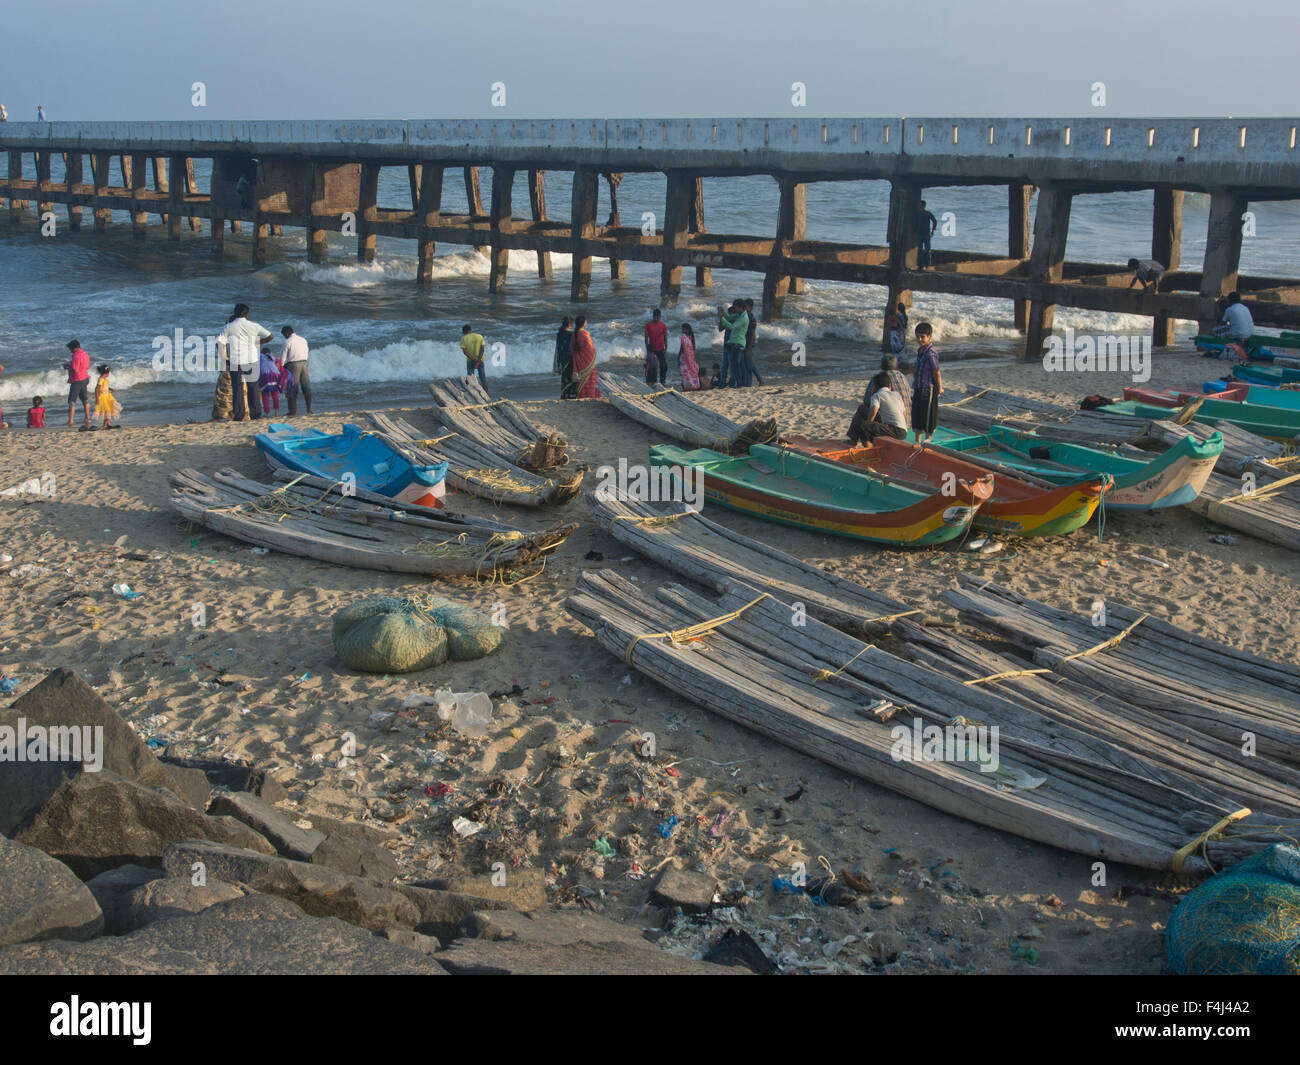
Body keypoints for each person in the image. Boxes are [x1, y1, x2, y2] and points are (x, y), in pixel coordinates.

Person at [217, 305, 273, 421]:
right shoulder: (254, 325)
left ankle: (239, 415)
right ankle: (256, 414)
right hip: (251, 360)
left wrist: (224, 359)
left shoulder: (229, 326)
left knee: (237, 389)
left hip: (235, 361)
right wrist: (256, 343)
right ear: (247, 315)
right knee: (253, 388)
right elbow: (270, 336)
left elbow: (220, 343)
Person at [847, 372, 909, 445]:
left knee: (862, 426)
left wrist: (868, 424)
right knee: (862, 411)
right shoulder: (897, 395)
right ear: (890, 386)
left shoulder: (877, 395)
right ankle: (855, 441)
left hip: (894, 430)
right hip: (903, 431)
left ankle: (865, 446)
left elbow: (874, 410)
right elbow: (904, 413)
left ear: (876, 387)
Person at [911, 322, 943, 443]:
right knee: (917, 413)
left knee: (928, 414)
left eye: (922, 337)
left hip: (928, 388)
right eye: (917, 336)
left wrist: (939, 388)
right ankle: (917, 440)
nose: (919, 339)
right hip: (919, 387)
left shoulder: (931, 352)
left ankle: (928, 440)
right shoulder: (921, 351)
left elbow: (936, 371)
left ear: (929, 337)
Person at [864, 354, 912, 424]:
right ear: (896, 366)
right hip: (907, 420)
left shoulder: (880, 378)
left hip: (892, 421)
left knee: (862, 409)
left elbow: (866, 400)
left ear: (881, 366)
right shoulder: (902, 376)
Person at [280, 325, 311, 414]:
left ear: (286, 333)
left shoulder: (287, 342)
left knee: (292, 388)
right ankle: (309, 410)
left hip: (293, 365)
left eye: (284, 335)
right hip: (304, 363)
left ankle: (292, 411)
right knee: (306, 387)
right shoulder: (303, 339)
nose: (284, 337)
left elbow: (282, 358)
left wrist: (281, 369)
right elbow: (306, 351)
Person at [718, 301, 750, 387]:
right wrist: (723, 312)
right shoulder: (739, 315)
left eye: (735, 307)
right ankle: (740, 384)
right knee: (736, 365)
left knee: (735, 366)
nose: (735, 309)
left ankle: (739, 384)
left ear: (740, 307)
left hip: (738, 343)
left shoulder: (743, 318)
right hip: (734, 343)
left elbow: (732, 327)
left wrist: (722, 318)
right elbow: (729, 317)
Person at [570, 316, 600, 398]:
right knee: (590, 378)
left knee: (582, 380)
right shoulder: (584, 333)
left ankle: (582, 395)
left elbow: (572, 349)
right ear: (583, 323)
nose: (586, 322)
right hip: (586, 361)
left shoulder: (574, 334)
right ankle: (590, 396)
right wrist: (594, 352)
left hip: (578, 360)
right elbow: (589, 348)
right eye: (586, 321)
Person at [64, 339, 92, 429]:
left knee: (72, 401)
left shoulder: (76, 356)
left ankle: (71, 420)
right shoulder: (85, 354)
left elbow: (75, 370)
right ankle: (87, 418)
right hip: (85, 378)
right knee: (85, 399)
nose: (70, 351)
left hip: (77, 380)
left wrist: (68, 367)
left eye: (70, 349)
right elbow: (87, 366)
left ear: (74, 348)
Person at [644, 308, 669, 386]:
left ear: (660, 316)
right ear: (653, 316)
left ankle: (662, 381)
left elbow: (665, 337)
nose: (656, 319)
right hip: (652, 350)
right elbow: (646, 337)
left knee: (664, 365)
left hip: (661, 348)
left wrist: (666, 347)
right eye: (655, 317)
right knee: (651, 367)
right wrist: (647, 348)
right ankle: (651, 382)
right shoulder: (648, 325)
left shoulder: (663, 325)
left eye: (658, 317)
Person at [460, 323, 487, 392]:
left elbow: (465, 352)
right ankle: (486, 394)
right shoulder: (480, 336)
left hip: (470, 361)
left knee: (469, 379)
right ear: (471, 330)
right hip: (480, 360)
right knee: (483, 378)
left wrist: (473, 359)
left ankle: (471, 393)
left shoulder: (464, 338)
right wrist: (478, 360)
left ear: (464, 332)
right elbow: (482, 349)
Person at [94, 364, 122, 429]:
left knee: (109, 410)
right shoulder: (100, 379)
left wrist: (110, 388)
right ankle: (105, 425)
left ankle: (108, 424)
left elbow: (104, 386)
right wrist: (97, 398)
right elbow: (97, 388)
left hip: (108, 396)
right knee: (106, 410)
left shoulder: (105, 379)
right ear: (106, 373)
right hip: (103, 397)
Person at [743, 299, 764, 386]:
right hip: (744, 344)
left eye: (746, 306)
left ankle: (760, 379)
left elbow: (752, 334)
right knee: (747, 366)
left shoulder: (751, 319)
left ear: (751, 307)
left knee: (750, 365)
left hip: (749, 345)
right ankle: (748, 384)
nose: (744, 308)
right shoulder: (744, 317)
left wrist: (749, 348)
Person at [554, 316, 574, 398]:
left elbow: (559, 348)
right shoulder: (570, 334)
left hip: (561, 358)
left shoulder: (559, 333)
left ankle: (564, 394)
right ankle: (570, 395)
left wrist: (558, 362)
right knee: (570, 377)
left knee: (564, 377)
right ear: (569, 324)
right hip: (569, 358)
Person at [258, 347, 283, 414]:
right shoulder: (273, 357)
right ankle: (276, 412)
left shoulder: (260, 356)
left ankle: (267, 413)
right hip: (275, 375)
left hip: (265, 376)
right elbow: (279, 367)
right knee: (275, 394)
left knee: (265, 395)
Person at [677, 323, 700, 391]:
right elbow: (693, 348)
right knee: (689, 371)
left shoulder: (684, 338)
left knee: (685, 372)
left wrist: (678, 356)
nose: (683, 331)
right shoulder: (690, 337)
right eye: (682, 329)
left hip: (685, 357)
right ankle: (691, 385)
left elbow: (682, 348)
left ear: (687, 329)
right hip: (689, 357)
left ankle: (687, 386)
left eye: (684, 329)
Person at [917, 201, 938, 268]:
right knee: (919, 251)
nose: (919, 207)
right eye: (919, 205)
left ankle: (927, 265)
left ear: (924, 206)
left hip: (926, 234)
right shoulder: (917, 213)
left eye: (920, 205)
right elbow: (914, 223)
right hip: (919, 234)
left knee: (927, 250)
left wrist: (932, 230)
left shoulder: (927, 213)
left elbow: (935, 221)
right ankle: (920, 266)